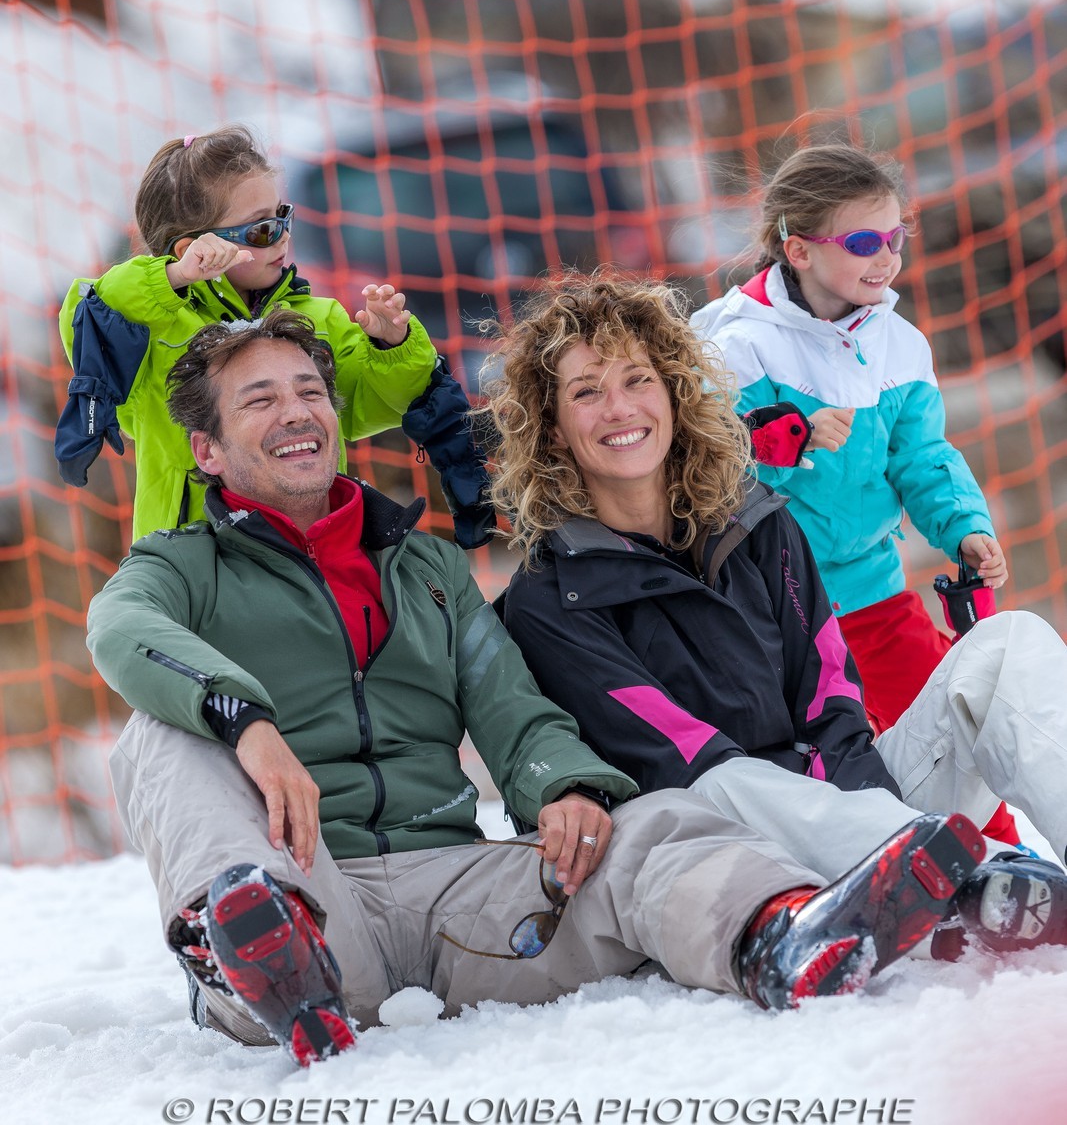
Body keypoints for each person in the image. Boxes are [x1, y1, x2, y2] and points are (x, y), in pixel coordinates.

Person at [86, 309, 993, 1062]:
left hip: (454, 889)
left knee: (650, 819)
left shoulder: (427, 567)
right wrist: (246, 722)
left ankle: (784, 934)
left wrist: (562, 786)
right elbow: (121, 632)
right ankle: (266, 962)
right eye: (261, 401)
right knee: (163, 736)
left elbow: (510, 703)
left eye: (310, 392)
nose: (297, 413)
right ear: (205, 449)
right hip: (306, 889)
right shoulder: (180, 567)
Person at [488, 273, 1067, 971]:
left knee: (1008, 644)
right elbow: (677, 759)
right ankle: (970, 874)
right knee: (718, 778)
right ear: (551, 429)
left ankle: (937, 872)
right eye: (585, 392)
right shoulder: (548, 598)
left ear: (673, 392)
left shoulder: (756, 522)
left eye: (637, 379)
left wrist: (866, 806)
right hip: (730, 858)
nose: (619, 408)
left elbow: (830, 697)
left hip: (857, 814)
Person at [688, 143, 1022, 843]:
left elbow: (922, 457)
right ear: (798, 249)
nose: (886, 257)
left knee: (950, 727)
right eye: (864, 241)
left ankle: (1001, 866)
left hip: (873, 590)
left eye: (894, 237)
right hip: (772, 612)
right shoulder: (734, 344)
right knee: (817, 766)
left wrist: (962, 525)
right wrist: (787, 440)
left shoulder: (898, 345)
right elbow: (703, 473)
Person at [56, 125, 492, 548]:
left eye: (283, 216)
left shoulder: (316, 319)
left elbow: (370, 404)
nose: (281, 236)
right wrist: (173, 278)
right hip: (192, 561)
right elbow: (94, 312)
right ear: (193, 250)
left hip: (308, 545)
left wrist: (392, 347)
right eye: (261, 229)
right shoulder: (153, 330)